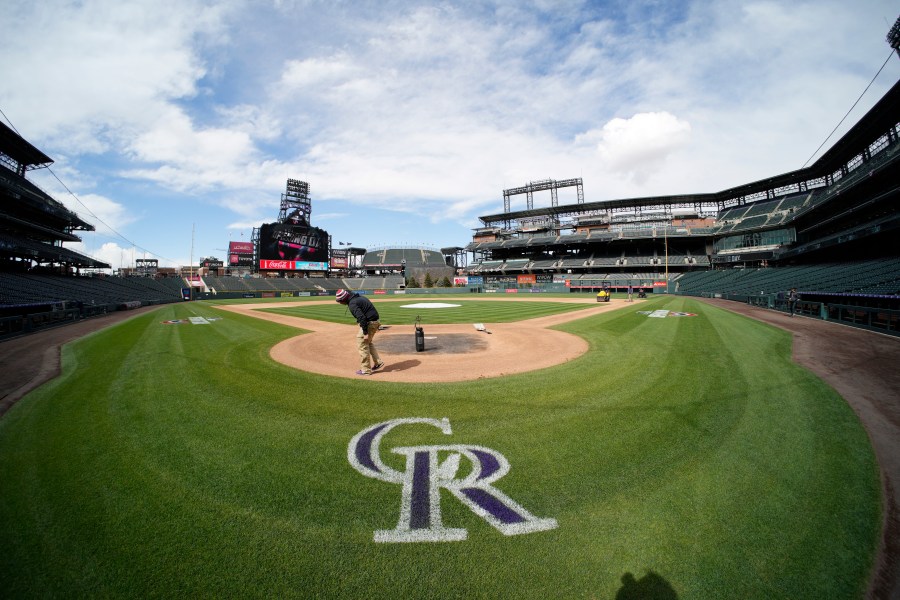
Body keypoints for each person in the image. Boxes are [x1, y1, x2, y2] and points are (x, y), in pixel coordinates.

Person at [335, 289, 384, 375]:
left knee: (362, 344)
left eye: (340, 301)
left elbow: (362, 318)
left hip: (370, 323)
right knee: (368, 343)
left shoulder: (352, 303)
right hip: (375, 321)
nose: (339, 303)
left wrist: (365, 333)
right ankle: (378, 362)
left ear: (343, 299)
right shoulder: (360, 298)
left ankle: (366, 370)